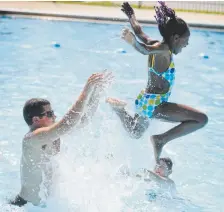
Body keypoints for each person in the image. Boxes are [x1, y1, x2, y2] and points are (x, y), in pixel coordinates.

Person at [106, 1, 208, 162]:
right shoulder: (164, 51)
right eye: (185, 40)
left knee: (135, 132)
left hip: (146, 100)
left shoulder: (157, 44)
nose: (186, 44)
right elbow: (144, 49)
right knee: (201, 119)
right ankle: (161, 139)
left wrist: (131, 16)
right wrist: (132, 41)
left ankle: (119, 110)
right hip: (156, 104)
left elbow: (140, 32)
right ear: (175, 38)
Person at [10, 71, 113, 207]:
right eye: (49, 113)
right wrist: (86, 90)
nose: (54, 116)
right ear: (36, 119)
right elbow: (65, 125)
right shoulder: (32, 140)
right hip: (25, 207)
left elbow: (84, 119)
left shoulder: (52, 134)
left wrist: (96, 91)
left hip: (45, 206)